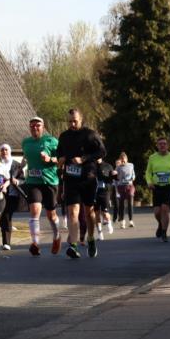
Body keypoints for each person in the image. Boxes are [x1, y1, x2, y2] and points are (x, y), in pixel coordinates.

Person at [56, 108, 106, 259]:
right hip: (71, 177)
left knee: (89, 211)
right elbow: (59, 152)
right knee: (72, 212)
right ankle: (73, 245)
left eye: (75, 121)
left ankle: (90, 238)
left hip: (88, 177)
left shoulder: (90, 134)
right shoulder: (64, 136)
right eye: (70, 121)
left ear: (81, 120)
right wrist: (60, 159)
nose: (72, 123)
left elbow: (102, 152)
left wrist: (83, 159)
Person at [20, 116, 62, 256]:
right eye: (32, 126)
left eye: (38, 125)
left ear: (43, 127)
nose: (35, 128)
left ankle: (57, 237)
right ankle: (35, 243)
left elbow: (61, 160)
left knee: (51, 215)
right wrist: (22, 164)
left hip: (50, 181)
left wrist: (50, 159)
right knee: (35, 211)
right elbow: (26, 157)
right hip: (33, 181)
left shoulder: (52, 141)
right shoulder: (25, 142)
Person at [145, 137, 170, 242]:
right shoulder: (152, 157)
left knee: (165, 209)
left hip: (168, 186)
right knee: (157, 212)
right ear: (157, 146)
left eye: (164, 144)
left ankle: (164, 232)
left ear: (167, 146)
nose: (162, 145)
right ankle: (160, 224)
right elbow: (148, 172)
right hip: (156, 187)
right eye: (160, 144)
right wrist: (149, 182)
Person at [0, 143, 24, 251]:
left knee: (7, 217)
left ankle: (6, 243)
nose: (4, 152)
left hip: (12, 194)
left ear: (10, 151)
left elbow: (23, 179)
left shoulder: (16, 165)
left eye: (6, 150)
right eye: (2, 150)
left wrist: (17, 181)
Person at [95, 159, 116, 240]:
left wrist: (114, 174)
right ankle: (100, 234)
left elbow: (113, 177)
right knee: (96, 214)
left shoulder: (108, 166)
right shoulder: (92, 165)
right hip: (95, 192)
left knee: (105, 213)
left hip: (105, 192)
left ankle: (109, 224)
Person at [115, 152, 136, 228]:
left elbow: (133, 174)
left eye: (124, 160)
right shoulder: (118, 167)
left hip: (129, 186)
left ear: (127, 159)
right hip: (121, 186)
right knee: (121, 205)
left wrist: (133, 177)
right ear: (120, 160)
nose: (123, 161)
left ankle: (131, 221)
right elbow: (116, 178)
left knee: (130, 202)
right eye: (122, 160)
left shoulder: (131, 165)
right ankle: (122, 222)